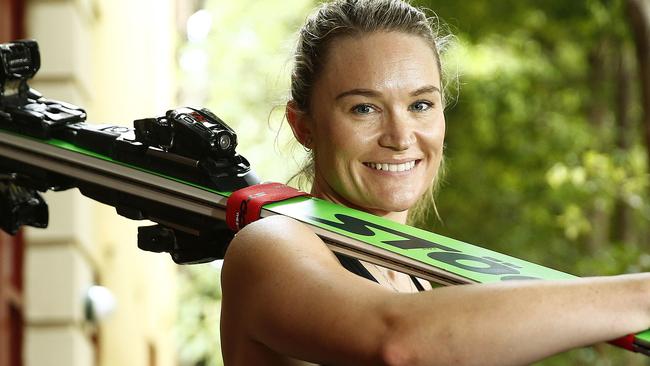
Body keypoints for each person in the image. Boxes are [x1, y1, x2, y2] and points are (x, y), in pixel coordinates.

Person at [220, 0, 650, 364]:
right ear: (304, 126)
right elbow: (397, 339)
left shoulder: (417, 281)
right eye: (363, 109)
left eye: (421, 104)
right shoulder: (268, 247)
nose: (400, 137)